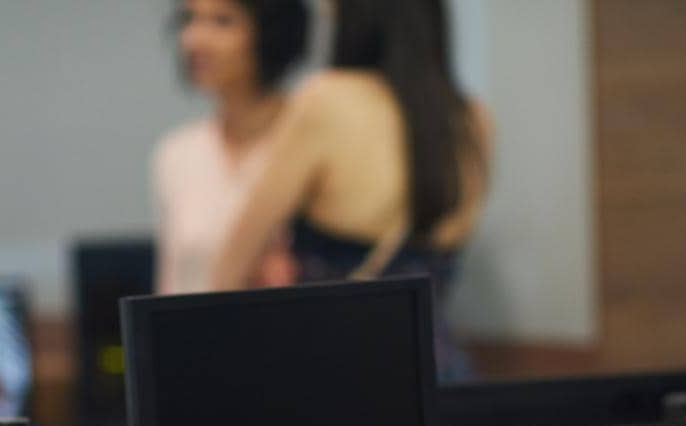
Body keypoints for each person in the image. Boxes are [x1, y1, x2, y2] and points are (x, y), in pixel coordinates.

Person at [210, 0, 494, 380]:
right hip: (438, 376)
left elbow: (232, 267)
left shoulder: (327, 101)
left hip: (339, 377)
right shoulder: (472, 118)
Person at [153, 0, 310, 294]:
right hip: (198, 333)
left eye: (222, 21)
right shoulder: (177, 153)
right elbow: (172, 284)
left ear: (271, 31)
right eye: (190, 19)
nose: (194, 39)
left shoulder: (312, 143)